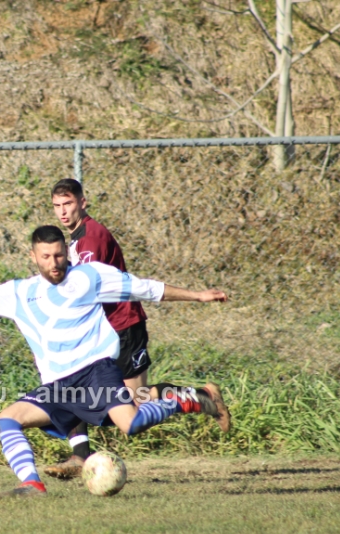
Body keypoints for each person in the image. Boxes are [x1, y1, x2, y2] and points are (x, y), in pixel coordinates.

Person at [0, 225, 230, 498]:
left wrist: (197, 296)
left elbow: (145, 288)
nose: (54, 263)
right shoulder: (18, 293)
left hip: (96, 372)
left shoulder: (90, 277)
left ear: (67, 252)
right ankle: (31, 484)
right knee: (7, 420)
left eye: (58, 255)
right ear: (33, 256)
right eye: (46, 257)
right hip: (58, 387)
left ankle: (192, 400)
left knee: (131, 424)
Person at [46, 179, 231, 478]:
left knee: (135, 401)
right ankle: (80, 455)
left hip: (123, 326)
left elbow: (88, 286)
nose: (63, 211)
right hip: (100, 330)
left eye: (68, 204)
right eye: (57, 206)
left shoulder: (91, 238)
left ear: (83, 202)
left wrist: (197, 296)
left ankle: (200, 396)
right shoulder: (76, 240)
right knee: (73, 383)